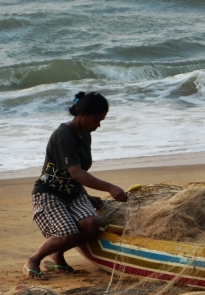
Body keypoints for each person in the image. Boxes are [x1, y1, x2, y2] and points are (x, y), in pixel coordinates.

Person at [23, 91, 128, 278]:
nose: (98, 125)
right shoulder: (63, 135)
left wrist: (86, 196)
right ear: (83, 115)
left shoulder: (85, 134)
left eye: (101, 121)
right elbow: (76, 172)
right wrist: (110, 188)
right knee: (67, 232)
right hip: (50, 193)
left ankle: (57, 254)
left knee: (91, 223)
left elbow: (76, 175)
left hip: (74, 193)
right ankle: (34, 259)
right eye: (96, 120)